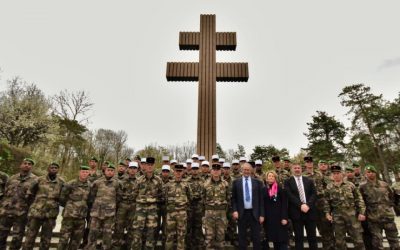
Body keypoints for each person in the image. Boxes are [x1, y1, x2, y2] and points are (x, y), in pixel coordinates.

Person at [23, 162, 65, 250]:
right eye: (52, 167)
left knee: (46, 239)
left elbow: (63, 197)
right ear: (48, 169)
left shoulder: (61, 182)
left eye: (56, 168)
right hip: (36, 213)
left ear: (58, 170)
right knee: (30, 237)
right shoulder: (39, 179)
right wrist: (35, 205)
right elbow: (30, 193)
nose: (53, 169)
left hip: (50, 214)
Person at [0, 158, 39, 250]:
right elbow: (5, 193)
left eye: (29, 164)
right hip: (5, 212)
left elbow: (36, 198)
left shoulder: (35, 180)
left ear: (32, 167)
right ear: (21, 165)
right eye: (25, 163)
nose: (27, 165)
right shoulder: (12, 178)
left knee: (17, 239)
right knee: (1, 236)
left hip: (21, 214)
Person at [324, 164, 366, 249]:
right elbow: (326, 202)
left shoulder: (350, 185)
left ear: (342, 174)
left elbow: (359, 199)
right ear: (332, 175)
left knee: (358, 240)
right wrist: (327, 213)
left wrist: (362, 212)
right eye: (334, 173)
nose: (336, 175)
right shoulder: (329, 187)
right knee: (339, 242)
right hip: (337, 216)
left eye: (338, 173)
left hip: (352, 216)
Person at [359, 165, 400, 250]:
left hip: (387, 217)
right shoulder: (362, 186)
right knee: (377, 243)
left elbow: (391, 197)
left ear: (375, 173)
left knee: (394, 241)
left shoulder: (384, 184)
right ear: (365, 174)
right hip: (374, 219)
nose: (370, 174)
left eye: (372, 172)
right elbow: (361, 201)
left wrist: (387, 207)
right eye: (368, 172)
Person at [86, 163, 120, 250]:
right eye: (108, 170)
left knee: (107, 233)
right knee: (93, 231)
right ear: (105, 171)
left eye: (112, 171)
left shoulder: (117, 184)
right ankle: (91, 247)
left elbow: (119, 197)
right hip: (97, 212)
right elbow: (92, 196)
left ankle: (106, 248)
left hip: (109, 213)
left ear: (114, 172)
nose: (110, 172)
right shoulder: (97, 182)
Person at [131, 157, 163, 249]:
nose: (149, 167)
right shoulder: (139, 180)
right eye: (148, 165)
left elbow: (161, 195)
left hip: (152, 210)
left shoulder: (158, 180)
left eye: (151, 165)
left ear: (154, 166)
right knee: (137, 232)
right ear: (144, 166)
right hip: (140, 209)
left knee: (151, 233)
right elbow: (134, 194)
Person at [231, 162, 265, 250]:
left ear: (251, 171)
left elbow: (261, 200)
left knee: (256, 237)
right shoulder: (236, 182)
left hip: (255, 213)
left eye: (248, 170)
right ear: (241, 170)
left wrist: (262, 214)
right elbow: (233, 199)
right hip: (242, 213)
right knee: (242, 237)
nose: (246, 171)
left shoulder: (258, 182)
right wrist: (235, 210)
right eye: (245, 169)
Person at [284, 163, 317, 250]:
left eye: (298, 168)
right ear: (292, 170)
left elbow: (314, 194)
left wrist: (308, 205)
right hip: (296, 213)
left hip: (309, 212)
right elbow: (289, 195)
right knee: (299, 238)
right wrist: (301, 205)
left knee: (312, 237)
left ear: (301, 169)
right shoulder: (287, 181)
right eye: (295, 168)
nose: (297, 169)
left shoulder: (309, 180)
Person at [58, 165, 91, 250]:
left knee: (75, 242)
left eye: (86, 172)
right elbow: (62, 198)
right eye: (83, 172)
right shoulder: (70, 184)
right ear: (79, 172)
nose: (84, 174)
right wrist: (70, 207)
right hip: (69, 217)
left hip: (81, 218)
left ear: (89, 173)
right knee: (63, 240)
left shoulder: (90, 186)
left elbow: (90, 200)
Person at [164, 164, 192, 249]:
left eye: (180, 171)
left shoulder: (186, 184)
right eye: (177, 171)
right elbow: (165, 198)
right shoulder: (168, 185)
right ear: (174, 172)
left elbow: (190, 197)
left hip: (182, 213)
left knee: (181, 236)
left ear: (183, 172)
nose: (178, 173)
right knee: (169, 236)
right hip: (171, 213)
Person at [202, 163, 230, 249]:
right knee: (209, 238)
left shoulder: (225, 184)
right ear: (211, 171)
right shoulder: (205, 184)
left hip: (221, 214)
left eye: (218, 170)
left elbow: (228, 198)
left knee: (221, 238)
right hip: (209, 215)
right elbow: (202, 199)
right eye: (214, 170)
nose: (216, 171)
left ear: (220, 171)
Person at [112, 161, 139, 249]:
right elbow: (118, 195)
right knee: (119, 227)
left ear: (137, 170)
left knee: (131, 228)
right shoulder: (122, 181)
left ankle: (128, 246)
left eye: (134, 168)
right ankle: (116, 246)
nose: (132, 170)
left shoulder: (139, 181)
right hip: (122, 206)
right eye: (131, 168)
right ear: (128, 169)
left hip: (133, 206)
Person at [263, 171, 288, 250]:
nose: (270, 177)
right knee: (274, 240)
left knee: (282, 240)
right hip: (269, 219)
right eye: (269, 176)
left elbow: (284, 204)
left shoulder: (280, 189)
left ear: (275, 178)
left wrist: (284, 217)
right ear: (266, 179)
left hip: (280, 218)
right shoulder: (263, 189)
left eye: (272, 176)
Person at [186, 162, 204, 250]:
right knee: (188, 227)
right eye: (193, 169)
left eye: (196, 169)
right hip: (189, 207)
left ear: (199, 170)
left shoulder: (203, 181)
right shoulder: (187, 181)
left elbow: (204, 193)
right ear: (191, 170)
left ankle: (198, 246)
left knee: (198, 227)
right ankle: (189, 246)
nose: (195, 171)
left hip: (199, 208)